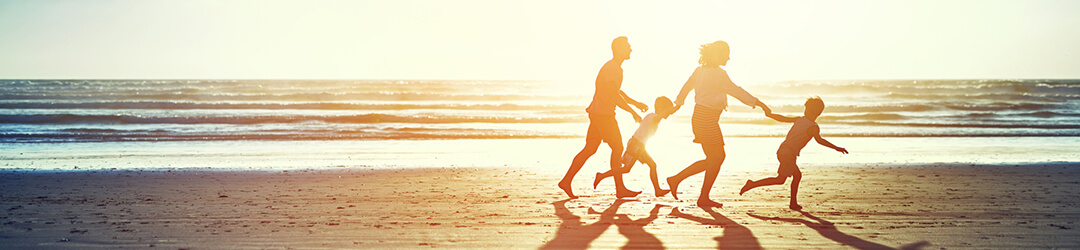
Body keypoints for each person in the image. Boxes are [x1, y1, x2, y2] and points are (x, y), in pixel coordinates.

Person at [665, 40, 769, 208]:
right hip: (706, 119)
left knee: (714, 158)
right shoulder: (718, 74)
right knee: (717, 157)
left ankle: (681, 182)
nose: (728, 58)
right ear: (716, 55)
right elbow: (736, 91)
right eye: (726, 54)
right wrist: (760, 103)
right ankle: (694, 191)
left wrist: (678, 103)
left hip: (700, 118)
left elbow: (686, 87)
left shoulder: (699, 71)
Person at [558, 36, 649, 199]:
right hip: (603, 115)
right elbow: (613, 95)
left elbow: (617, 91)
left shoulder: (614, 68)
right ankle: (620, 189)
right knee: (618, 148)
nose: (631, 49)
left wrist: (635, 103)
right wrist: (632, 112)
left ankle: (566, 180)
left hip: (598, 113)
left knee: (590, 149)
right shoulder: (612, 68)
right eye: (628, 46)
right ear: (619, 48)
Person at [740, 97, 849, 210]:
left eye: (807, 109)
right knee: (783, 179)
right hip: (788, 153)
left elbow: (783, 118)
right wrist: (836, 148)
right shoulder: (813, 127)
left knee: (791, 177)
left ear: (814, 112)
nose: (805, 111)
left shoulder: (800, 120)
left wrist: (770, 114)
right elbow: (820, 140)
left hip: (783, 150)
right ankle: (754, 185)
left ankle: (791, 202)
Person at [593, 96, 676, 197]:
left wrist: (671, 109)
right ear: (662, 109)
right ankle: (601, 176)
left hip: (639, 145)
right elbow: (657, 118)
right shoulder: (654, 117)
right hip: (636, 145)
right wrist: (674, 107)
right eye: (668, 111)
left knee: (652, 165)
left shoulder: (651, 116)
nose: (669, 114)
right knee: (626, 169)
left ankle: (657, 190)